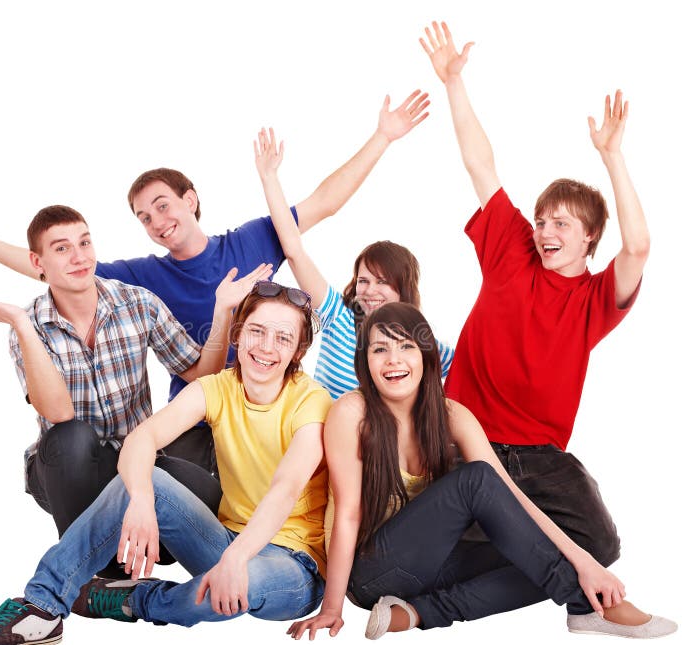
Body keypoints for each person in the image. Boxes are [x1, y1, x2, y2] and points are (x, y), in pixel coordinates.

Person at [0, 90, 429, 475]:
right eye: (143, 217)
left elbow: (325, 201)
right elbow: (54, 268)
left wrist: (382, 136)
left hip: (271, 410)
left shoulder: (252, 240)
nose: (157, 221)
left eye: (163, 206)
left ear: (191, 199)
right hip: (200, 418)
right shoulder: (142, 277)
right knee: (181, 491)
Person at [0, 281, 333, 645]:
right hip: (223, 540)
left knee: (236, 587)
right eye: (257, 331)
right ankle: (41, 606)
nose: (267, 347)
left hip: (293, 564)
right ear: (238, 334)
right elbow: (143, 439)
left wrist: (236, 558)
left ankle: (132, 599)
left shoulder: (312, 402)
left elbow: (286, 488)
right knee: (141, 478)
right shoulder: (218, 387)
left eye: (283, 338)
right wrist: (140, 499)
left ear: (298, 352)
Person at [419, 19, 650, 599]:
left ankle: (496, 548)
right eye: (543, 220)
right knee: (491, 529)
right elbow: (481, 165)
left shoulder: (596, 299)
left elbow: (640, 247)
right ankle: (459, 566)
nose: (545, 231)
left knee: (603, 544)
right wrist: (453, 83)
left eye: (561, 224)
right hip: (465, 437)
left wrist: (613, 157)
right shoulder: (513, 250)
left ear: (589, 239)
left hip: (538, 456)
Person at [287, 303, 675, 640]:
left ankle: (419, 613)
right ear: (365, 360)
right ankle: (587, 607)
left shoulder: (451, 415)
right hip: (369, 571)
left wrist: (585, 560)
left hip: (429, 564)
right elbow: (349, 514)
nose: (394, 360)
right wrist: (333, 605)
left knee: (533, 552)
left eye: (406, 346)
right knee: (474, 481)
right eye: (380, 349)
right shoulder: (352, 414)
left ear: (425, 356)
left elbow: (510, 495)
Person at [0, 204, 269, 573]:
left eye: (84, 243)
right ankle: (86, 574)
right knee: (72, 436)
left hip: (136, 462)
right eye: (62, 249)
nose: (79, 257)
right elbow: (58, 413)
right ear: (37, 262)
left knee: (206, 500)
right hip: (68, 471)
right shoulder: (31, 326)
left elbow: (200, 375)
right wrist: (22, 326)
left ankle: (132, 547)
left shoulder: (136, 303)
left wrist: (223, 313)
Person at [253, 127, 454, 400]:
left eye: (382, 282)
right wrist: (269, 178)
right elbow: (294, 251)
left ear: (402, 289)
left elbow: (470, 366)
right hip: (323, 436)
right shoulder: (339, 316)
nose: (370, 290)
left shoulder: (417, 338)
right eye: (363, 281)